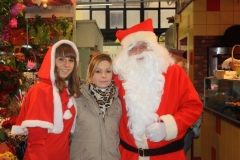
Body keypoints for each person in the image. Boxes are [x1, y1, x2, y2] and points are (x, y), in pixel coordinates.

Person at [112, 18, 203, 160]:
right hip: (129, 155)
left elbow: (193, 106)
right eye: (132, 49)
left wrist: (169, 126)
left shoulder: (175, 73)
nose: (138, 52)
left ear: (154, 47)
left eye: (143, 46)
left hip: (168, 156)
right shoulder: (118, 77)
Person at [11, 40, 81, 160]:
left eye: (71, 60)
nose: (67, 64)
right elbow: (36, 141)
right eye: (61, 59)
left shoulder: (67, 91)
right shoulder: (40, 91)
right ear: (51, 61)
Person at [70, 52, 122, 160]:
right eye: (98, 71)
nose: (103, 75)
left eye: (108, 71)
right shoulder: (77, 99)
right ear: (89, 73)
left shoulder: (118, 101)